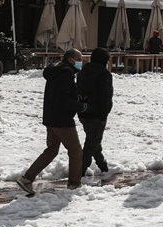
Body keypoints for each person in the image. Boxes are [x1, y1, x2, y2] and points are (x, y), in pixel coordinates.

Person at [17, 49, 85, 195]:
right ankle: (74, 184)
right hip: (62, 120)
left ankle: (27, 179)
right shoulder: (66, 74)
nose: (81, 62)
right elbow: (64, 99)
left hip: (51, 118)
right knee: (76, 152)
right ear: (71, 59)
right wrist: (80, 106)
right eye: (79, 58)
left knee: (51, 151)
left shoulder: (56, 71)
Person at [77, 47, 114, 175]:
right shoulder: (104, 74)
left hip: (83, 111)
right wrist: (104, 114)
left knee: (93, 140)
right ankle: (79, 172)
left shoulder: (82, 72)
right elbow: (106, 97)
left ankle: (103, 166)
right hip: (97, 114)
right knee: (91, 143)